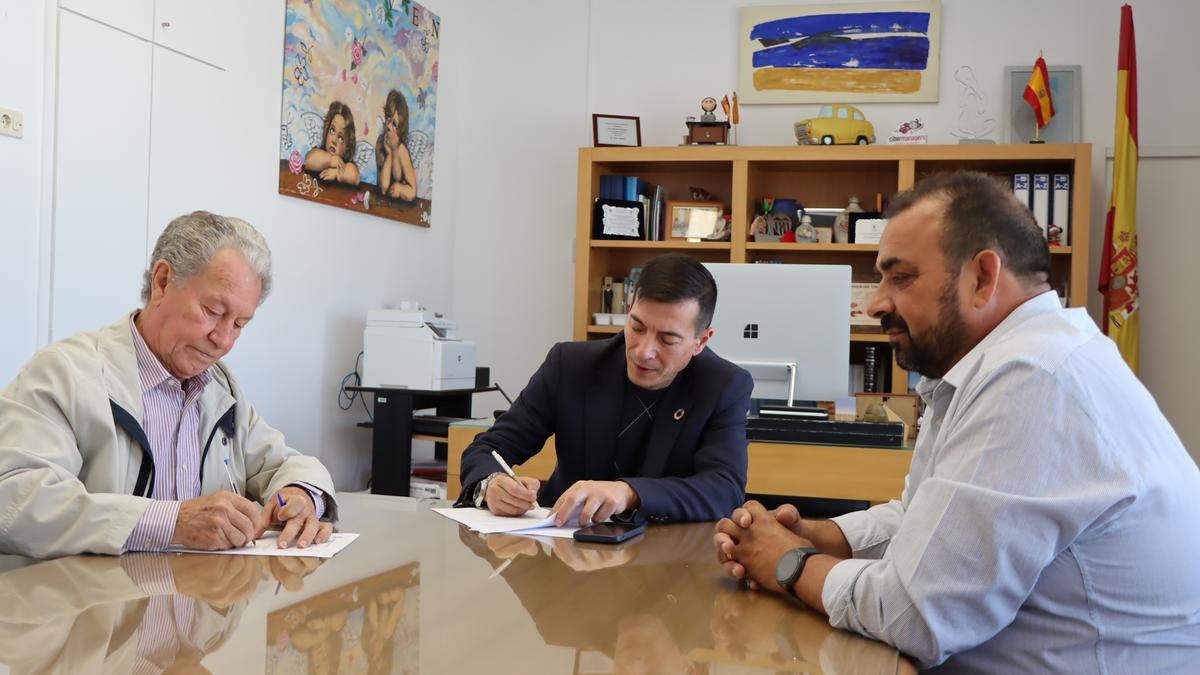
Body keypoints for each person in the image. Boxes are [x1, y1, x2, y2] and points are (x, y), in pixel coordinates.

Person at [714, 171, 1200, 672]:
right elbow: (922, 515)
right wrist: (819, 535)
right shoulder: (1008, 364)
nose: (877, 302)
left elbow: (918, 615)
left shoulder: (1034, 377)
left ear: (982, 278)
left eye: (900, 277)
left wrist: (789, 564)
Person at [0, 211, 338, 558]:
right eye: (213, 311)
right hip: (91, 606)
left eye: (239, 324)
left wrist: (298, 494)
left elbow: (280, 462)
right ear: (162, 282)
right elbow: (14, 501)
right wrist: (170, 522)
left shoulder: (219, 387)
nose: (223, 340)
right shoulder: (65, 374)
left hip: (194, 601)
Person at [456, 253, 752, 526]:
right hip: (564, 546)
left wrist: (629, 493)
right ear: (629, 309)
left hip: (663, 556)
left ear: (701, 341)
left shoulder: (723, 385)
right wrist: (491, 484)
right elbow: (487, 449)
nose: (643, 351)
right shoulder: (570, 365)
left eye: (667, 339)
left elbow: (723, 489)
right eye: (637, 327)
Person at [374, 89, 418, 201]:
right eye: (388, 117)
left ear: (400, 129)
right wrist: (389, 156)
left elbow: (412, 191)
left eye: (394, 124)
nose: (388, 126)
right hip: (382, 202)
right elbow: (383, 188)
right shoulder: (380, 143)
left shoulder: (402, 151)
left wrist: (401, 190)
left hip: (400, 207)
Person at [304, 100, 360, 185]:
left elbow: (355, 176)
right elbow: (308, 161)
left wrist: (337, 174)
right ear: (326, 131)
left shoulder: (345, 164)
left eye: (341, 138)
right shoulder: (319, 153)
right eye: (332, 130)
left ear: (347, 147)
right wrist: (330, 160)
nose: (334, 141)